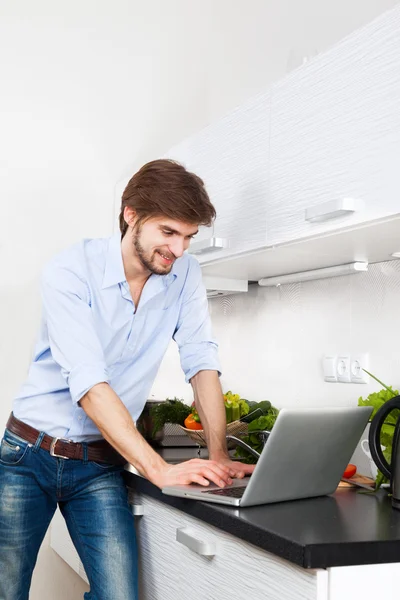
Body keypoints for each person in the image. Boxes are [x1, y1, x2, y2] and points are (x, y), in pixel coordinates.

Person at [0, 159, 254, 599]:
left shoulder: (184, 275)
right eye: (169, 233)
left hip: (99, 464)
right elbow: (90, 386)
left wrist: (217, 457)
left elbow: (201, 362)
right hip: (30, 455)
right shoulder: (70, 271)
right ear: (131, 214)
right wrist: (158, 470)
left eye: (189, 237)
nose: (178, 249)